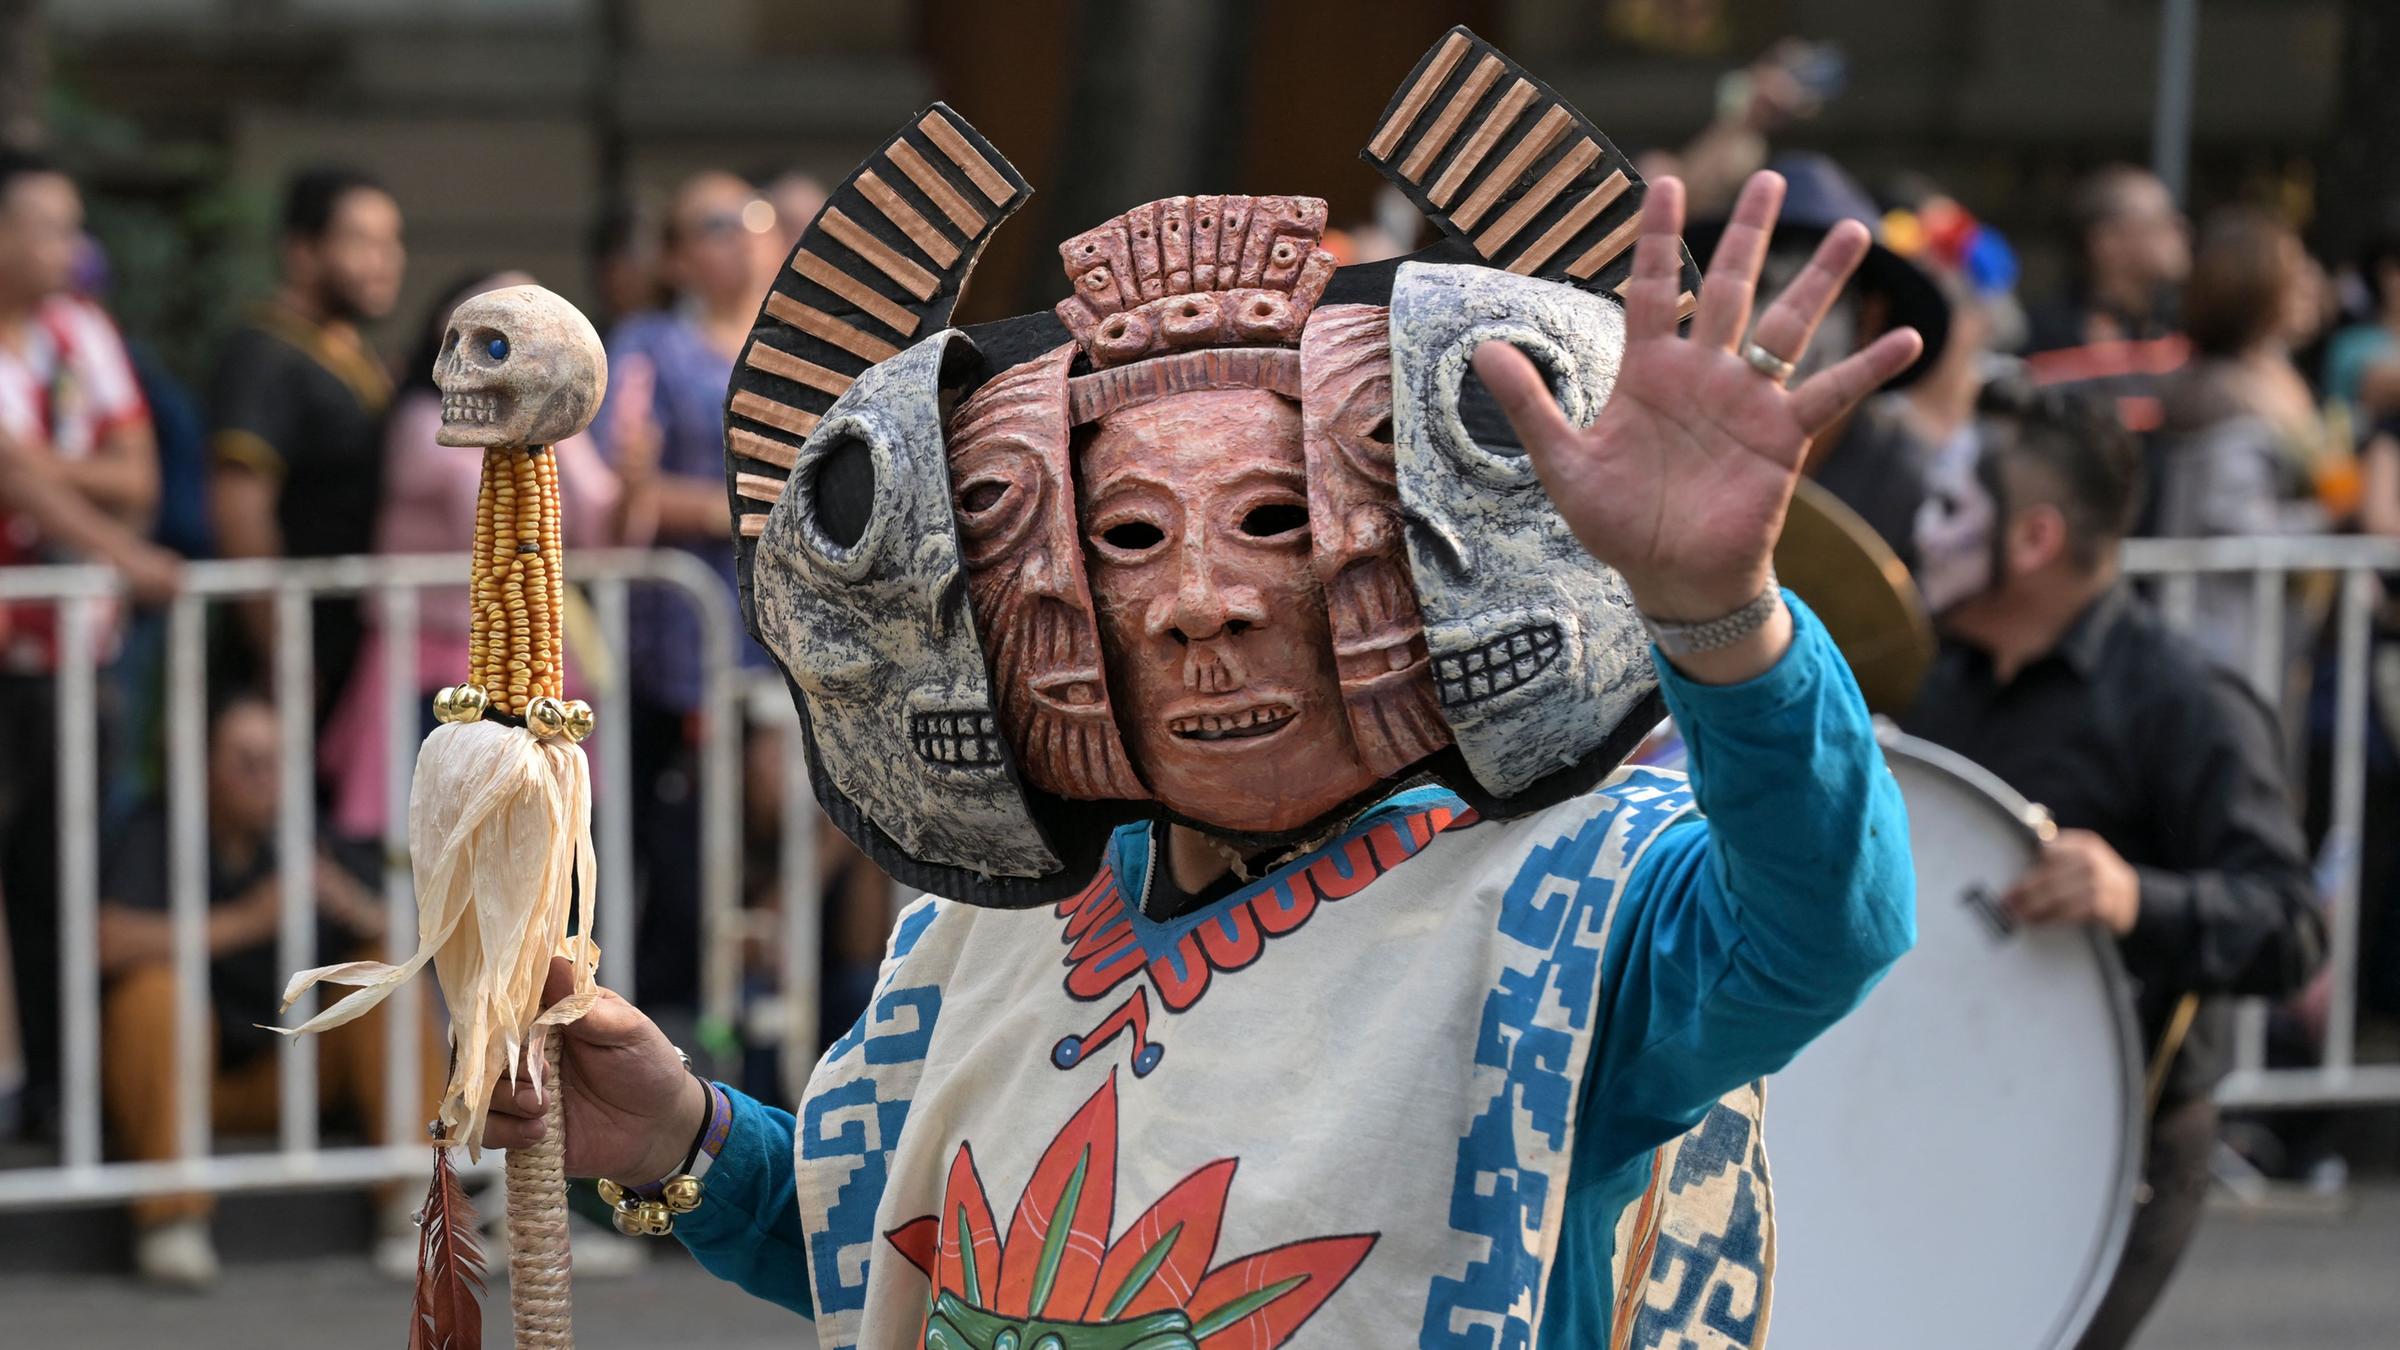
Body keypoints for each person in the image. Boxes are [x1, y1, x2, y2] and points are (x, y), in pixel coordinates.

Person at [479, 52, 1923, 1342]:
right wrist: (680, 1135)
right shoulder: (994, 930)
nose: (1200, 602)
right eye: (1125, 539)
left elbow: (1819, 927)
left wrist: (1713, 612)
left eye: (1278, 521)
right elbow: (896, 1254)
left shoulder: (1566, 908)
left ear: (1414, 548)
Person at [1902, 378, 2325, 1350]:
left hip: (2117, 1143)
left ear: (2037, 537)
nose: (1923, 531)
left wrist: (2139, 898)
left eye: (1953, 505)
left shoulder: (2185, 701)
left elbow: (2292, 926)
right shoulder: (1940, 681)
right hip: (1950, 1113)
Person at [97, 691, 447, 1287]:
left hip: (294, 1075)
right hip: (186, 1085)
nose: (265, 780)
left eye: (277, 762)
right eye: (245, 762)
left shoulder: (308, 834)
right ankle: (171, 1220)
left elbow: (418, 939)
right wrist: (247, 921)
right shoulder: (158, 830)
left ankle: (415, 1203)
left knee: (381, 970)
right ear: (203, 766)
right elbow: (104, 940)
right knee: (151, 993)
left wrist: (354, 906)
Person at [317, 269, 657, 846]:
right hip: (424, 662)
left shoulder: (551, 439)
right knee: (428, 844)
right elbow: (468, 508)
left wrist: (636, 481)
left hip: (529, 665)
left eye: (500, 348)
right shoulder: (424, 423)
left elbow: (604, 535)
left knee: (526, 846)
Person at [0, 147, 173, 1137]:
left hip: (73, 658)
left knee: (61, 876)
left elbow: (137, 474)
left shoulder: (80, 333)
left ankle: (62, 1099)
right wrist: (121, 549)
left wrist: (42, 468)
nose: (67, 246)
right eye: (46, 225)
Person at [589, 170, 780, 1018]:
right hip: (681, 631)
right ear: (673, 257)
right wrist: (734, 510)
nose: (741, 235)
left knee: (797, 810)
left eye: (753, 216)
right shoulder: (647, 344)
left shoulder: (797, 343)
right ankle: (672, 1033)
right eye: (714, 223)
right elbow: (613, 483)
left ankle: (772, 973)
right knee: (680, 840)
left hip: (789, 625)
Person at [1691, 151, 1952, 573]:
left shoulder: (1897, 475)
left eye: (1822, 296)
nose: (1779, 317)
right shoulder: (1673, 435)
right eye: (1763, 286)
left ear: (1869, 320)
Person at [207, 163, 405, 716]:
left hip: (351, 643)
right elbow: (240, 513)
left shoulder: (349, 352)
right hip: (291, 653)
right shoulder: (262, 354)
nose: (384, 261)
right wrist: (281, 652)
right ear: (301, 251)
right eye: (361, 241)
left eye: (392, 243)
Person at [2152, 206, 2334, 670]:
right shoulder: (2218, 391)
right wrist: (2333, 517)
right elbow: (2233, 520)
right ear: (2251, 284)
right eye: (2293, 271)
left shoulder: (2282, 378)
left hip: (2280, 631)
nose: (2311, 283)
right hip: (2222, 636)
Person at [2026, 164, 2191, 356]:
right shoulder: (2048, 334)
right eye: (2159, 222)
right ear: (2106, 241)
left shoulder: (2187, 327)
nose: (2181, 231)